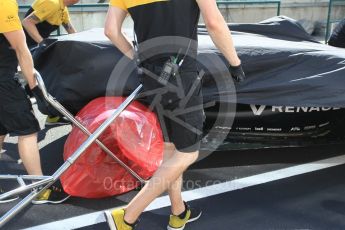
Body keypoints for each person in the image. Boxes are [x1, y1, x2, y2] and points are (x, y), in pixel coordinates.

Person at [104, 0, 245, 229]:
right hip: (181, 73)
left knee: (171, 150)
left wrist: (138, 59)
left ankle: (178, 212)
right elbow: (214, 23)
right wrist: (235, 63)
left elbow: (110, 30)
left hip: (151, 75)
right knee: (188, 153)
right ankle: (127, 216)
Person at [0, 0, 70, 204]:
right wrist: (34, 87)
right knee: (28, 130)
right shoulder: (4, 4)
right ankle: (40, 189)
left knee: (1, 129)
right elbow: (21, 49)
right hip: (3, 81)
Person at [22, 0, 79, 126]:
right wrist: (42, 43)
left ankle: (52, 115)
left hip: (36, 46)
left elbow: (70, 29)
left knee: (51, 75)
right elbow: (27, 22)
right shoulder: (52, 3)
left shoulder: (62, 8)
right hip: (24, 47)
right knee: (47, 76)